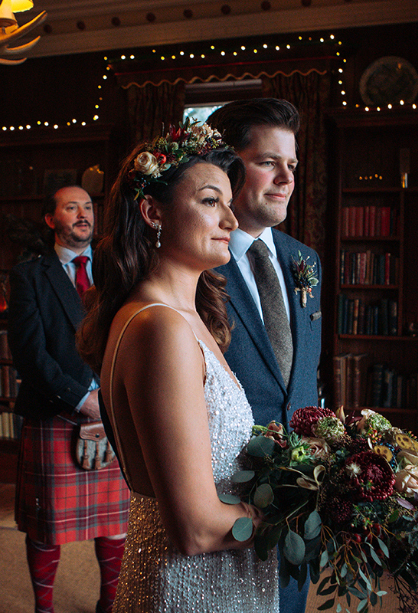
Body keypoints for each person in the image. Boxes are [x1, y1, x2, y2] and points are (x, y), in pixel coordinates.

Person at [76, 121, 278, 612]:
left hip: (224, 579)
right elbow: (196, 528)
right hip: (192, 588)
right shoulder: (160, 327)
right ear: (152, 212)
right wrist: (314, 514)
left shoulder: (189, 317)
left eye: (231, 203)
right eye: (211, 202)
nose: (232, 219)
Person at [209, 98, 323, 613]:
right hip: (221, 501)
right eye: (267, 162)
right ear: (226, 167)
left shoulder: (306, 262)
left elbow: (304, 379)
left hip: (300, 502)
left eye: (292, 165)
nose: (286, 178)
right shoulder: (196, 265)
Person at [8, 185, 129, 613]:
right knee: (46, 526)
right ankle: (44, 609)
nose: (83, 214)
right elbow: (29, 353)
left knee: (115, 525)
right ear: (50, 219)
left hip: (114, 410)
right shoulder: (29, 275)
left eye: (89, 207)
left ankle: (109, 604)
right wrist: (82, 398)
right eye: (71, 206)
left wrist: (113, 396)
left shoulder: (120, 268)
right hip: (55, 411)